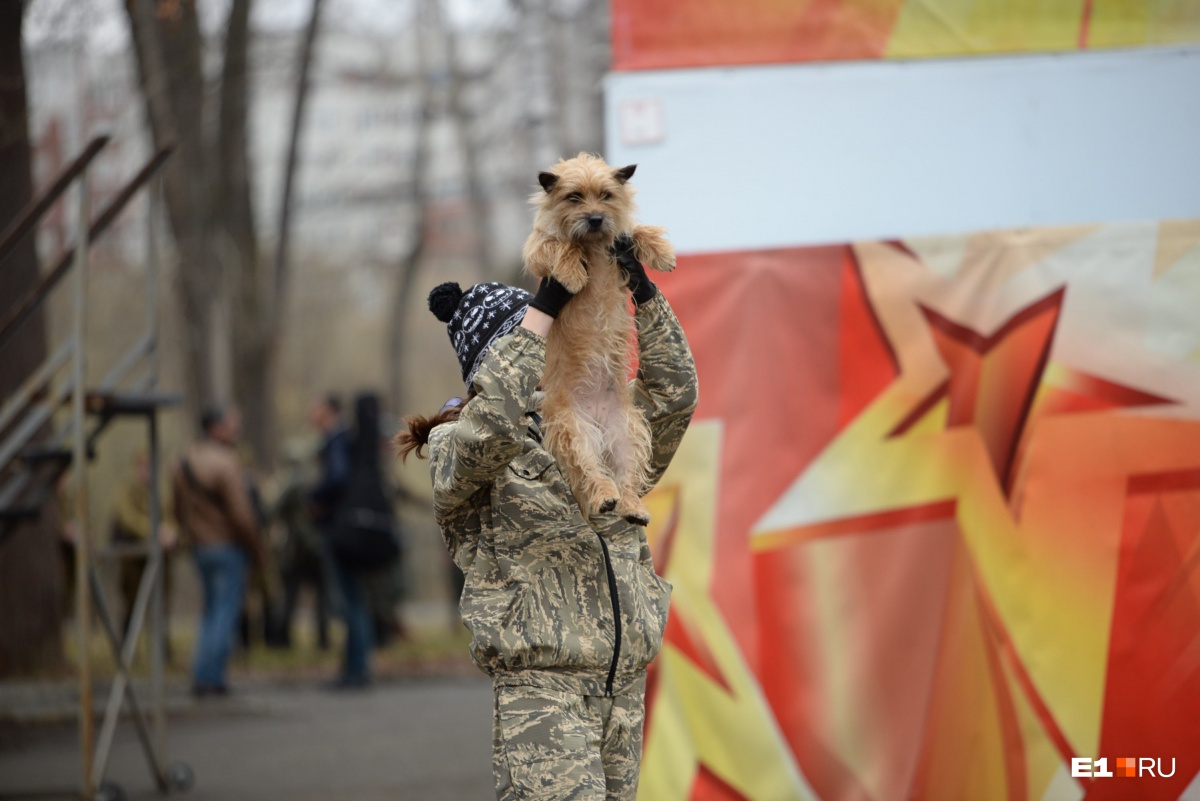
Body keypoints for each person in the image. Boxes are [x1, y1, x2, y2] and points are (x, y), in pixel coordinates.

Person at [396, 242, 698, 801]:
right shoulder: (455, 446)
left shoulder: (597, 429)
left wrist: (644, 295)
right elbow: (490, 430)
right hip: (544, 694)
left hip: (622, 690)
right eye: (546, 336)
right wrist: (545, 308)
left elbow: (674, 397)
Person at [172, 406, 264, 697]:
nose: (236, 431)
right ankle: (211, 678)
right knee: (224, 613)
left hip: (200, 547)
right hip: (227, 546)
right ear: (215, 428)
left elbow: (176, 508)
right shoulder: (225, 463)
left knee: (210, 612)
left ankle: (202, 673)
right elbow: (242, 515)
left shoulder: (182, 461)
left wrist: (191, 534)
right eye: (230, 425)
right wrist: (256, 546)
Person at [309, 393, 371, 688]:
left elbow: (338, 477)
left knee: (350, 602)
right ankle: (355, 668)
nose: (312, 414)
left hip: (340, 531)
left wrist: (315, 497)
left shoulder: (337, 441)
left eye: (316, 408)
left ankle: (355, 671)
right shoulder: (346, 439)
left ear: (330, 411)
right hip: (354, 531)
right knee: (355, 600)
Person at [111, 451, 177, 655]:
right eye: (142, 466)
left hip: (160, 559)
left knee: (161, 605)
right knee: (131, 606)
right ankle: (127, 651)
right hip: (133, 559)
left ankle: (162, 651)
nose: (145, 471)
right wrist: (154, 532)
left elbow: (171, 516)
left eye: (149, 466)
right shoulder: (126, 491)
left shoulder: (161, 492)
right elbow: (127, 517)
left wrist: (170, 532)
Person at [272, 442, 331, 650]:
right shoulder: (319, 480)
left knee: (290, 595)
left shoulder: (291, 485)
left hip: (296, 550)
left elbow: (273, 512)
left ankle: (282, 639)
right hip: (318, 546)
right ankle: (323, 640)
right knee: (321, 596)